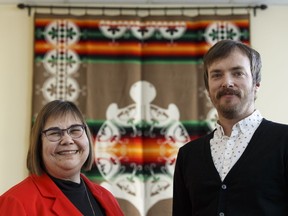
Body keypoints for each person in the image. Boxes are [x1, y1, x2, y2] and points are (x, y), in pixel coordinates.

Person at [172, 39, 288, 216]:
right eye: (217, 75)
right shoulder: (188, 156)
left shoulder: (284, 141)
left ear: (256, 84)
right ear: (208, 88)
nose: (227, 82)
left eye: (238, 73)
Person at [0, 100, 124, 216]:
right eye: (54, 133)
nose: (67, 140)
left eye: (75, 130)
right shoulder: (15, 202)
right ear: (38, 144)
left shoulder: (107, 198)